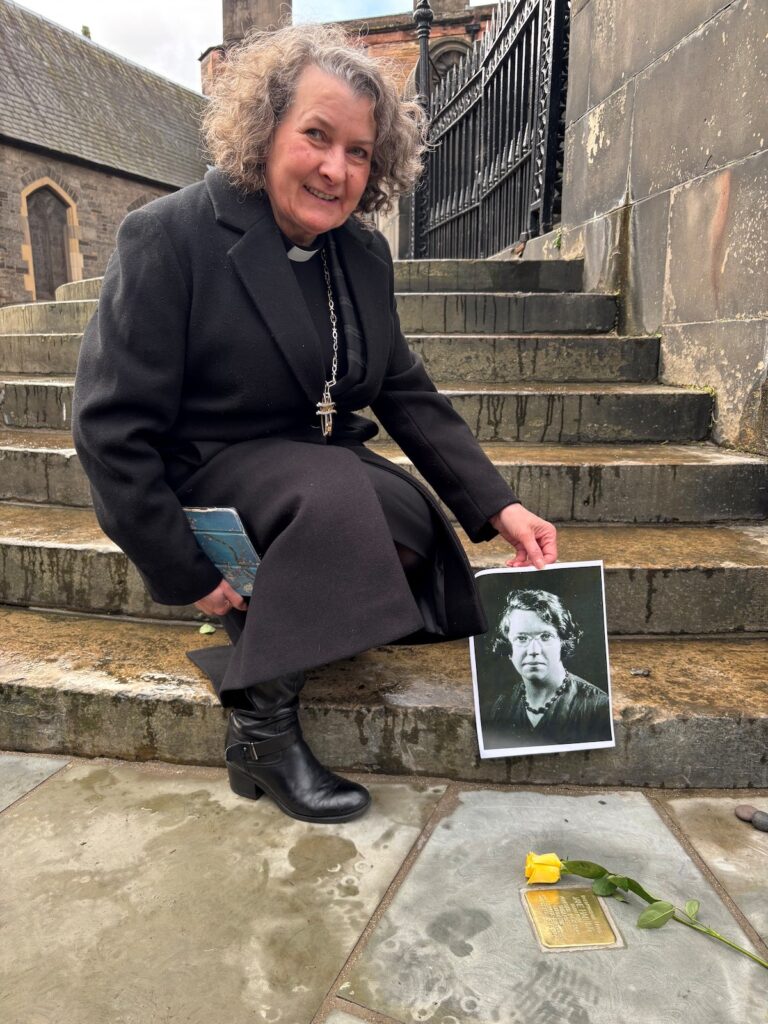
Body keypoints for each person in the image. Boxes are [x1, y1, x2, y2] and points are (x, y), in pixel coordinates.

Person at [72, 24, 557, 824]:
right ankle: (261, 734)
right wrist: (184, 568)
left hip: (309, 470)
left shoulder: (360, 255)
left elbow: (403, 388)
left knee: (406, 517)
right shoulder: (170, 235)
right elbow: (107, 428)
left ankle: (296, 612)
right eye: (317, 137)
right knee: (338, 498)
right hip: (209, 471)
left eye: (359, 152)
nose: (336, 169)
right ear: (267, 131)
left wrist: (498, 506)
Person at [482, 589, 610, 749]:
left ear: (562, 642)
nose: (534, 650)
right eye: (521, 638)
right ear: (508, 648)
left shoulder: (599, 708)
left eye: (545, 636)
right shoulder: (499, 708)